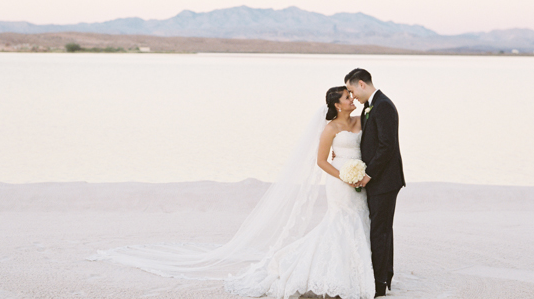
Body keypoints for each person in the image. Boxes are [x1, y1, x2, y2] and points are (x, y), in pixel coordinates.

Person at [90, 86, 378, 299]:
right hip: (339, 183)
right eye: (347, 97)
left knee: (356, 221)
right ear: (337, 105)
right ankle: (328, 274)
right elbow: (320, 161)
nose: (352, 98)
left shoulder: (360, 120)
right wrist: (344, 176)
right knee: (339, 222)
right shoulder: (330, 129)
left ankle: (353, 272)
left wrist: (360, 174)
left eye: (352, 95)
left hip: (358, 180)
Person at [344, 68, 406, 298]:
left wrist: (367, 175)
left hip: (385, 181)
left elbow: (387, 147)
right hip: (380, 180)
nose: (353, 97)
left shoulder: (383, 106)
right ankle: (384, 276)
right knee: (381, 230)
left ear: (361, 83)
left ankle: (379, 285)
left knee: (379, 231)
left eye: (352, 90)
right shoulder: (374, 105)